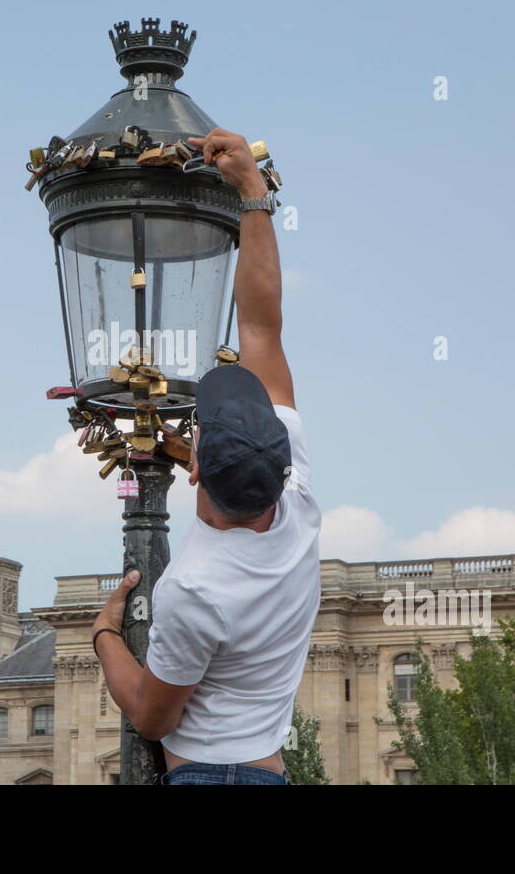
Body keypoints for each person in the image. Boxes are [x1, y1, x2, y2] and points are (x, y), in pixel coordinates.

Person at [91, 128, 322, 785]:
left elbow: (152, 716)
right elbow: (261, 324)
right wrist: (253, 191)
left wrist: (105, 636)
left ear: (194, 466)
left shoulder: (194, 590)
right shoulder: (297, 497)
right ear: (280, 462)